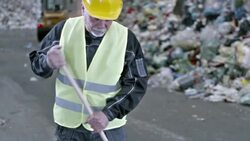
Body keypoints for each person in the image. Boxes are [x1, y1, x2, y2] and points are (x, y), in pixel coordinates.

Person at [29, 0, 148, 141]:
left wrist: (108, 114)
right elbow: (37, 64)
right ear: (83, 8)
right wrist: (48, 62)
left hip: (108, 128)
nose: (102, 25)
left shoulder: (127, 40)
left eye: (108, 20)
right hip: (69, 129)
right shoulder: (64, 29)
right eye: (96, 18)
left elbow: (137, 84)